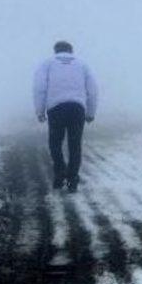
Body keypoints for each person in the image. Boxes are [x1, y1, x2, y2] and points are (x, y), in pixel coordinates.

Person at [33, 41, 98, 192]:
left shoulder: (47, 64)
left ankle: (59, 173)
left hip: (56, 108)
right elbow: (93, 90)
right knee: (75, 144)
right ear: (71, 51)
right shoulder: (83, 64)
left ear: (56, 51)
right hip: (77, 108)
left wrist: (40, 111)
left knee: (55, 143)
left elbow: (39, 89)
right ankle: (73, 179)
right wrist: (90, 113)